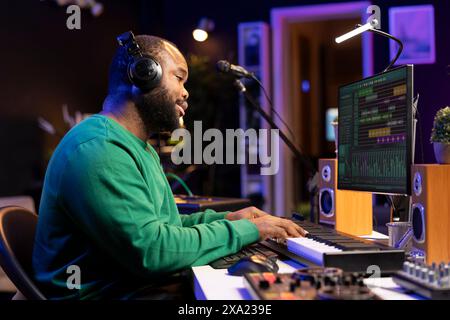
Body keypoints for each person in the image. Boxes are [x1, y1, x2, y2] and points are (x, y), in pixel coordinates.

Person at [32, 31, 306, 300]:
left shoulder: (139, 148)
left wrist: (230, 219)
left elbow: (164, 226)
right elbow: (153, 251)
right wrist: (251, 231)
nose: (186, 93)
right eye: (179, 78)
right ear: (143, 74)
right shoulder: (98, 149)